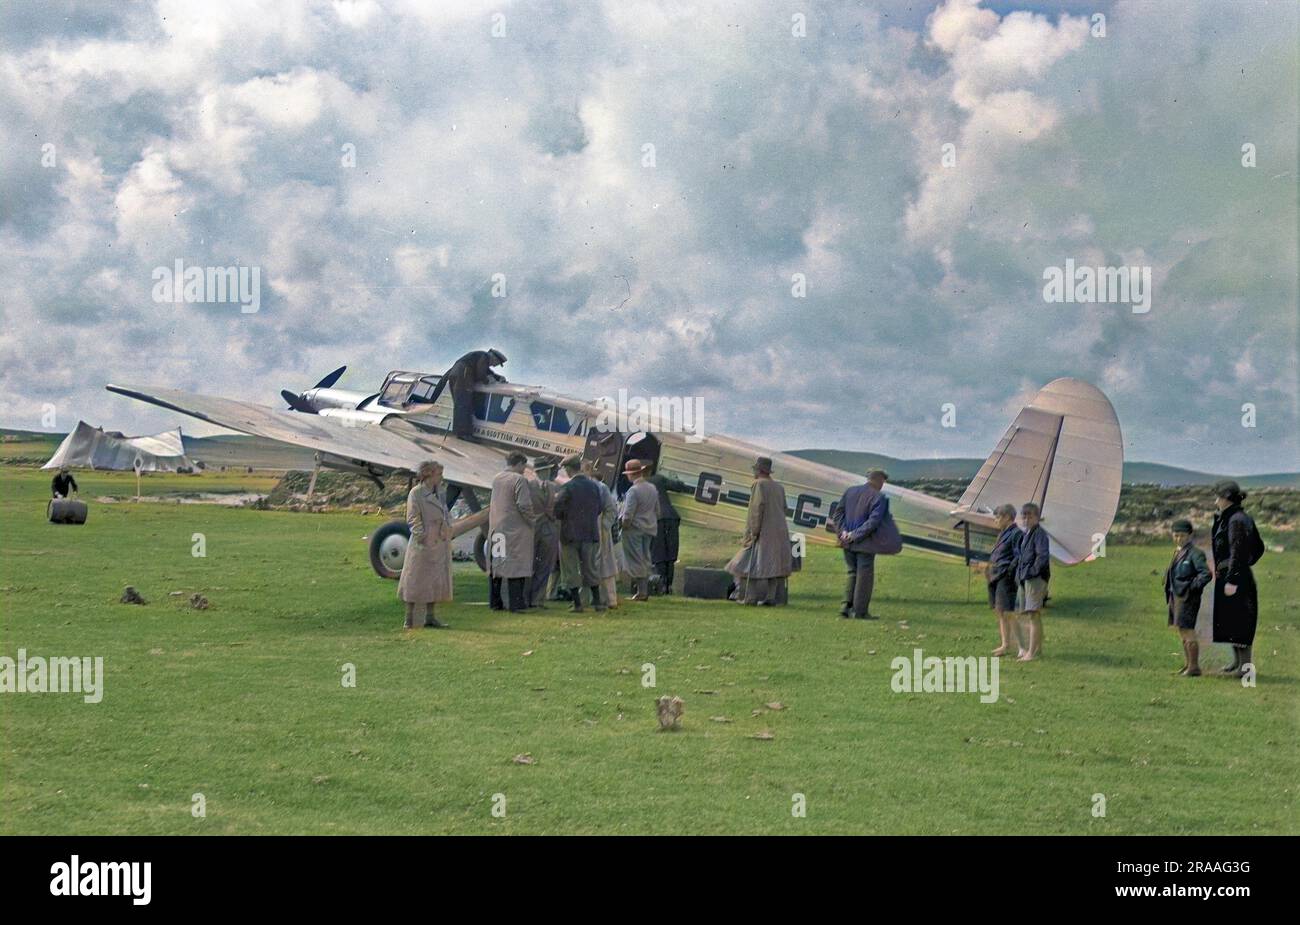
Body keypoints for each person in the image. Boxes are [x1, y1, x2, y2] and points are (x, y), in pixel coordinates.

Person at [1210, 480, 1264, 677]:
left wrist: (1233, 578)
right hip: (1233, 574)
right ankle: (1237, 663)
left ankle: (1244, 668)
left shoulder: (1236, 520)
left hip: (1235, 578)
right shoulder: (1236, 517)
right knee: (1231, 621)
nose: (1216, 501)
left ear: (1226, 499)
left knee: (1240, 623)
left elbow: (1238, 552)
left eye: (1218, 497)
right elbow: (1258, 548)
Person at [830, 468, 900, 619]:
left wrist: (843, 533)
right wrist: (854, 535)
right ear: (879, 480)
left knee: (852, 573)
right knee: (864, 577)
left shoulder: (850, 491)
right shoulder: (879, 497)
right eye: (883, 481)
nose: (883, 484)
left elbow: (837, 515)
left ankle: (845, 607)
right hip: (865, 544)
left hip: (846, 542)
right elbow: (873, 522)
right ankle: (860, 611)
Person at [397, 460, 452, 629]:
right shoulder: (416, 493)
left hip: (439, 540)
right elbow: (413, 517)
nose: (441, 478)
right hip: (424, 542)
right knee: (415, 580)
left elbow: (445, 512)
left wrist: (447, 528)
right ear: (429, 475)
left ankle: (430, 616)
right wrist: (421, 536)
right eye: (439, 474)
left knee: (435, 580)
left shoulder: (439, 492)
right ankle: (409, 618)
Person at [735, 456, 792, 606]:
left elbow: (756, 509)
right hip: (779, 531)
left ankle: (750, 597)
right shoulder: (779, 487)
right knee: (773, 566)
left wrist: (753, 532)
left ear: (759, 470)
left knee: (748, 563)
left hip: (763, 531)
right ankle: (770, 598)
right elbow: (784, 508)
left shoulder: (758, 485)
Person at [552, 455, 606, 613]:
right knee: (590, 568)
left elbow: (557, 509)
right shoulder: (594, 486)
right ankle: (597, 602)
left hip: (569, 534)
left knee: (571, 569)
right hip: (590, 533)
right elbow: (599, 508)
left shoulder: (567, 487)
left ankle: (577, 604)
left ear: (569, 469)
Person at [488, 451, 537, 613]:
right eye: (524, 466)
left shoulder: (497, 478)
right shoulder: (519, 480)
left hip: (496, 527)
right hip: (515, 529)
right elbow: (524, 504)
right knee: (516, 565)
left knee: (497, 563)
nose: (524, 469)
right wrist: (532, 521)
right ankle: (516, 603)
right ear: (520, 464)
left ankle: (495, 602)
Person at [1164, 519, 1211, 677]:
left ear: (1190, 535)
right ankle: (1188, 665)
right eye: (1176, 535)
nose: (1179, 539)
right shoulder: (1178, 551)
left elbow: (1206, 574)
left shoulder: (1195, 553)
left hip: (1187, 598)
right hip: (1176, 597)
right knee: (1182, 630)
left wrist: (1192, 587)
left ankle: (1194, 668)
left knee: (1188, 631)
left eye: (1182, 535)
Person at [440, 348, 507, 439]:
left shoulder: (477, 356)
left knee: (461, 404)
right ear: (494, 358)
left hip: (456, 374)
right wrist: (488, 381)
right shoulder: (485, 357)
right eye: (497, 363)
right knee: (464, 405)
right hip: (463, 376)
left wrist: (498, 378)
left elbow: (488, 371)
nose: (495, 365)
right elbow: (481, 373)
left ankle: (461, 432)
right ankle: (463, 434)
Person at [618, 459, 659, 602]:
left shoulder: (633, 491)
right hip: (649, 528)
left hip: (634, 529)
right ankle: (643, 591)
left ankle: (641, 592)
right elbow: (657, 511)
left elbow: (628, 514)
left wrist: (623, 526)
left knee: (635, 560)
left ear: (631, 474)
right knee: (645, 558)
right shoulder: (652, 488)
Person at [582, 459, 621, 609]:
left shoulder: (601, 487)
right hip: (587, 528)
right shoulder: (587, 486)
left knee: (605, 565)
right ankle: (590, 599)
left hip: (599, 529)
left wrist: (604, 526)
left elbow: (611, 509)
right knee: (588, 564)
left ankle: (610, 599)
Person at [1014, 502, 1051, 661]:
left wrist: (1031, 572)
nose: (1026, 518)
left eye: (1030, 515)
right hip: (1025, 578)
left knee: (1033, 615)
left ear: (1037, 517)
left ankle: (1031, 653)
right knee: (1031, 615)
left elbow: (1042, 557)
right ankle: (1037, 650)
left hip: (1034, 579)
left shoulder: (1040, 534)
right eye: (1024, 516)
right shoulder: (1027, 533)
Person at [986, 503, 1023, 656]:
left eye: (998, 517)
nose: (996, 520)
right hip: (995, 574)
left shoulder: (1016, 533)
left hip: (1005, 577)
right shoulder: (1003, 533)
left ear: (1007, 517)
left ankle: (1022, 647)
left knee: (1008, 612)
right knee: (1000, 611)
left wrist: (1009, 571)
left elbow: (1019, 556)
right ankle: (1005, 644)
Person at [525, 464, 559, 609]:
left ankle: (538, 600)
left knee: (545, 565)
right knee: (529, 564)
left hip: (550, 529)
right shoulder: (528, 486)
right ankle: (525, 598)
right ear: (537, 471)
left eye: (548, 470)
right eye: (544, 470)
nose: (547, 472)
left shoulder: (554, 487)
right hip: (533, 528)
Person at [647, 465, 681, 593]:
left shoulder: (638, 486)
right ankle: (669, 585)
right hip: (671, 517)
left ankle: (661, 584)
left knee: (659, 554)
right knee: (671, 554)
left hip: (657, 519)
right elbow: (678, 486)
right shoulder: (659, 479)